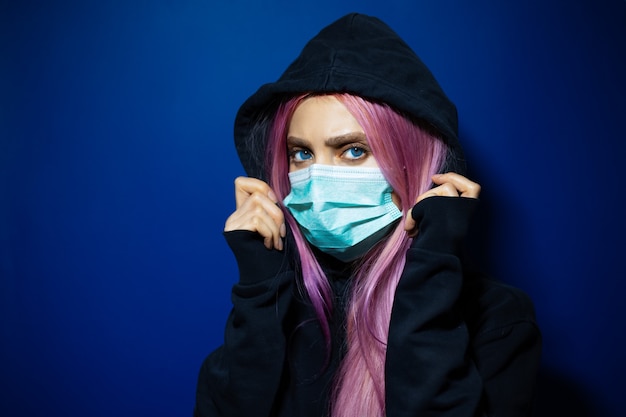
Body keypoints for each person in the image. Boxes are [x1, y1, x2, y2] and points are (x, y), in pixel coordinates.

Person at [194, 12, 541, 417]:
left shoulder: (498, 322)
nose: (318, 178)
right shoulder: (276, 309)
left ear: (419, 165)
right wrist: (259, 291)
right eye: (301, 153)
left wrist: (431, 268)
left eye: (354, 150)